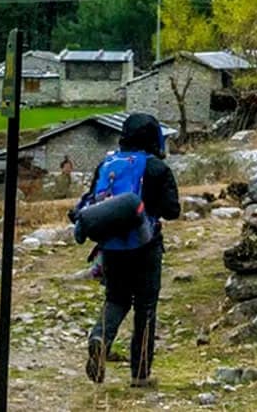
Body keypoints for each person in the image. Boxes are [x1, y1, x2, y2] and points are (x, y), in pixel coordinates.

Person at [71, 112, 180, 388]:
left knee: (116, 299)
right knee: (145, 308)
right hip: (146, 246)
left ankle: (101, 338)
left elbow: (92, 202)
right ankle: (140, 374)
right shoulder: (156, 168)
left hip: (111, 247)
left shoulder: (107, 164)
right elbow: (172, 210)